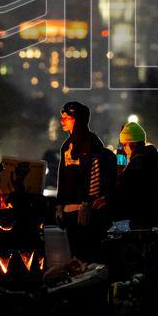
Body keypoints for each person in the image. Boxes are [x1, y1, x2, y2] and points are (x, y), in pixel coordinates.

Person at [55, 101, 116, 261]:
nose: (62, 121)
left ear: (78, 120)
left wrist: (87, 202)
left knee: (88, 255)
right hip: (69, 212)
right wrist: (59, 204)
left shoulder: (91, 143)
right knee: (75, 256)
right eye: (62, 117)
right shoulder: (66, 146)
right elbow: (62, 176)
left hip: (85, 212)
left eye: (67, 117)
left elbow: (95, 174)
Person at [112, 121, 158, 228]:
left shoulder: (138, 163)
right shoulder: (152, 159)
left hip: (141, 221)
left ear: (133, 144)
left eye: (124, 144)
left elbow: (121, 187)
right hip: (155, 219)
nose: (124, 149)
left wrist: (107, 199)